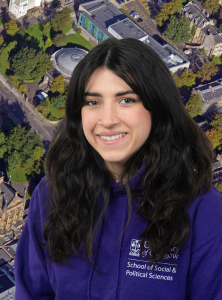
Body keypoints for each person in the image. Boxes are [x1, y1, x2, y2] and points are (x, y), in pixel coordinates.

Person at [15, 37, 222, 299]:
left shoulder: (203, 211)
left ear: (156, 108)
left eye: (126, 100)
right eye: (93, 102)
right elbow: (32, 293)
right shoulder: (52, 194)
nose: (108, 120)